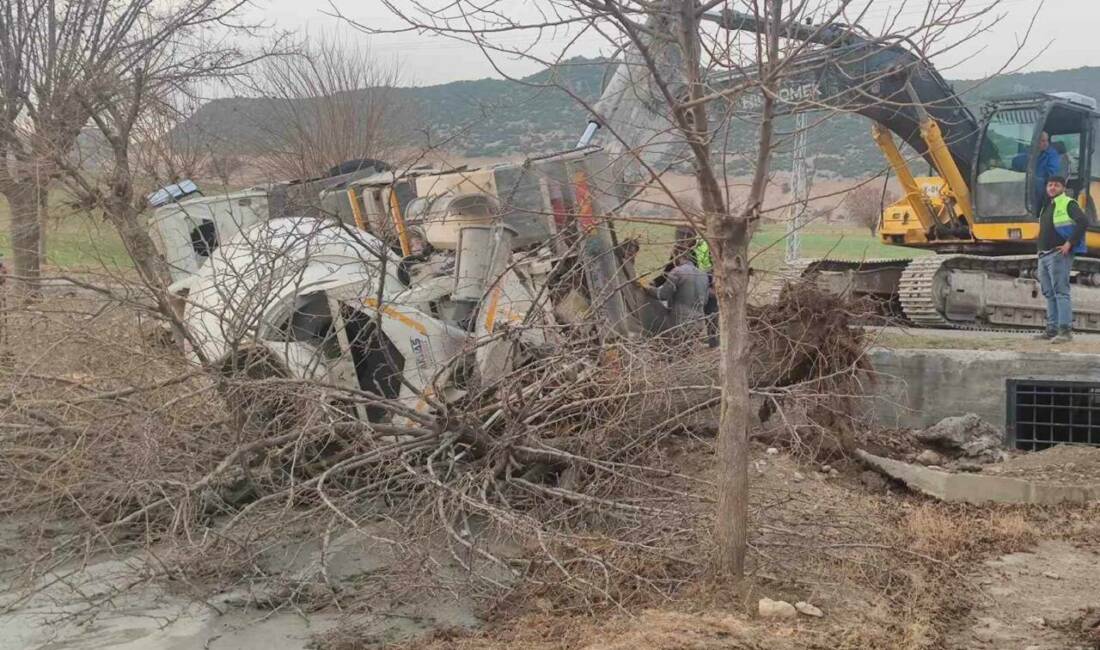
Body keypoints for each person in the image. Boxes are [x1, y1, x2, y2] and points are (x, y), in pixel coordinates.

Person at [1034, 175, 1087, 343]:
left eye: (1056, 185)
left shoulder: (1068, 203)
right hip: (1044, 254)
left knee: (1061, 292)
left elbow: (1083, 222)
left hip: (1058, 255)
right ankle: (1051, 329)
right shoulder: (1047, 206)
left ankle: (1065, 331)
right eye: (1049, 185)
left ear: (1063, 188)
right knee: (1049, 293)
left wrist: (1069, 244)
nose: (1052, 188)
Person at [647, 252, 709, 343]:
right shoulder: (703, 275)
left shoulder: (678, 272)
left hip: (681, 323)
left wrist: (647, 288)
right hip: (699, 322)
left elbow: (662, 295)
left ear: (681, 256)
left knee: (677, 353)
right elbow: (706, 300)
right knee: (689, 353)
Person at [1034, 131, 1062, 215]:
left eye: (1047, 140)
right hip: (1031, 181)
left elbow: (1052, 173)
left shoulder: (1052, 154)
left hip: (1044, 184)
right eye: (1042, 141)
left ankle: (1036, 213)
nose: (1046, 143)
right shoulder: (1031, 152)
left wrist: (1036, 178)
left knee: (1037, 183)